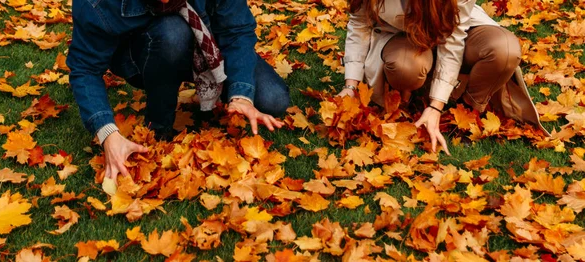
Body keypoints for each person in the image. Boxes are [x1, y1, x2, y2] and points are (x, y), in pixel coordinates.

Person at [67, 0, 290, 182]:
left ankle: (224, 89)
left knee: (273, 99)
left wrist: (242, 95)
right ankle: (158, 128)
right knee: (173, 32)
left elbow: (237, 31)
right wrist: (107, 133)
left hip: (209, 45)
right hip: (147, 54)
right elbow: (84, 67)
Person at [338, 0, 548, 154]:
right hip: (402, 37)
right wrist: (351, 85)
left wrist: (436, 105)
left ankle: (466, 112)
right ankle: (414, 97)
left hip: (453, 28)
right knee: (405, 68)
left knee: (504, 50)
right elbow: (359, 24)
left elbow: (453, 43)